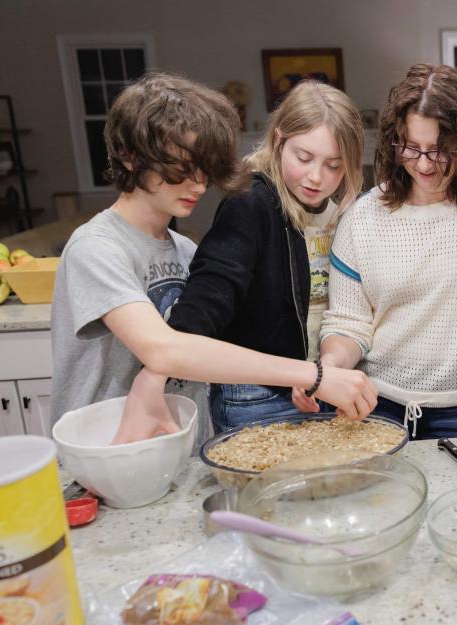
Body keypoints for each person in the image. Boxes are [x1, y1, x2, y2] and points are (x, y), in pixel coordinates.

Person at [50, 73, 377, 444]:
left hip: (173, 441)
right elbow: (164, 349)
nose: (200, 185)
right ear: (129, 157)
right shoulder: (95, 248)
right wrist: (313, 375)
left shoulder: (184, 250)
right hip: (101, 442)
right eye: (181, 170)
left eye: (204, 169)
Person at [311, 64, 457, 450]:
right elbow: (349, 324)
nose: (425, 164)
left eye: (440, 150)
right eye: (411, 148)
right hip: (376, 404)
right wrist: (326, 371)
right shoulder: (362, 216)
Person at [131, 80, 367, 433]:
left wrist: (323, 372)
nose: (317, 177)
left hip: (320, 385)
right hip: (257, 396)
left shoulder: (338, 215)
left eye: (334, 165)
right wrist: (157, 371)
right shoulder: (250, 202)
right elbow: (209, 295)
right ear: (278, 140)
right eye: (303, 158)